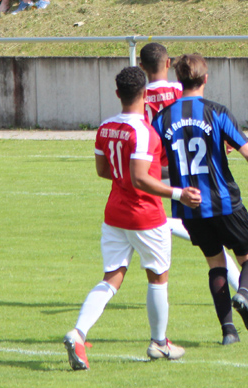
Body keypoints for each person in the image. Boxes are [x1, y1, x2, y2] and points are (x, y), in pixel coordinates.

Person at [63, 66, 201, 371]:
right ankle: (159, 343)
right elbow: (140, 179)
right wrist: (179, 194)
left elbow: (103, 171)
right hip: (145, 215)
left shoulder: (106, 126)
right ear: (145, 94)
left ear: (117, 94)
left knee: (111, 277)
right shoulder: (143, 132)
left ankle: (78, 332)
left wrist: (126, 176)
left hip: (114, 213)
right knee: (158, 277)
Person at [138, 43, 248, 307]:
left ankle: (231, 322)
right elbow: (198, 125)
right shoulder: (189, 98)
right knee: (244, 251)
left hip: (166, 173)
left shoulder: (143, 98)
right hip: (203, 183)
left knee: (213, 259)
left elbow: (149, 135)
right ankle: (246, 292)